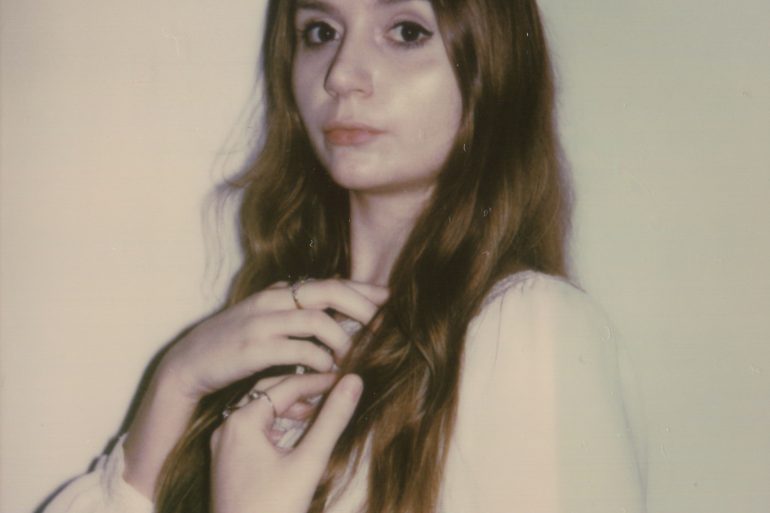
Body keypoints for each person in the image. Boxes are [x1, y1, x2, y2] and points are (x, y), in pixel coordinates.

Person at [43, 0, 646, 512]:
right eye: (320, 32)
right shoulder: (266, 339)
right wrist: (174, 386)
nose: (341, 75)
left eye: (405, 31)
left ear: (494, 65)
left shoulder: (527, 326)